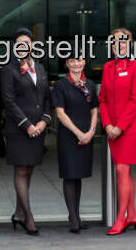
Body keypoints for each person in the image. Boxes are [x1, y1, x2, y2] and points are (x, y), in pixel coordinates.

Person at [1, 28, 51, 235]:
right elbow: (9, 101)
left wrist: (44, 122)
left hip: (38, 128)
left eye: (27, 43)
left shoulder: (39, 68)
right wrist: (27, 124)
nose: (24, 46)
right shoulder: (8, 69)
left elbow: (46, 98)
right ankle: (28, 217)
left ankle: (19, 213)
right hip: (19, 129)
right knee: (21, 170)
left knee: (29, 169)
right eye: (20, 43)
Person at [100, 28, 136, 236]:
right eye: (115, 41)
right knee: (125, 172)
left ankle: (121, 219)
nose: (119, 44)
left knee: (121, 171)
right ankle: (133, 213)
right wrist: (108, 124)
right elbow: (103, 99)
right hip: (112, 129)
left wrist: (120, 126)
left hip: (130, 129)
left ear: (130, 44)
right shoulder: (108, 67)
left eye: (123, 41)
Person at [52, 54, 99, 234]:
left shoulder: (90, 85)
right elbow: (60, 113)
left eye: (79, 60)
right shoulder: (61, 85)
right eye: (72, 61)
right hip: (69, 135)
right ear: (67, 64)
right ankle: (73, 217)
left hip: (87, 134)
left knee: (78, 175)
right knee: (69, 175)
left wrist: (91, 131)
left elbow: (95, 109)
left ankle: (76, 216)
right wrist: (79, 133)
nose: (76, 64)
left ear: (84, 62)